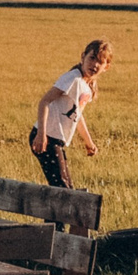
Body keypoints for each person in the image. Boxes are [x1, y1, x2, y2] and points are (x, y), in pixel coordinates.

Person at [29, 38, 112, 188]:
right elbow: (44, 102)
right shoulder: (72, 78)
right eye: (92, 58)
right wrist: (41, 134)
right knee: (63, 188)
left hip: (56, 140)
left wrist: (89, 143)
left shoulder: (87, 86)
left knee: (65, 187)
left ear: (107, 67)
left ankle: (58, 211)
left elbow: (77, 115)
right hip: (47, 138)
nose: (95, 64)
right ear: (82, 57)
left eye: (100, 61)